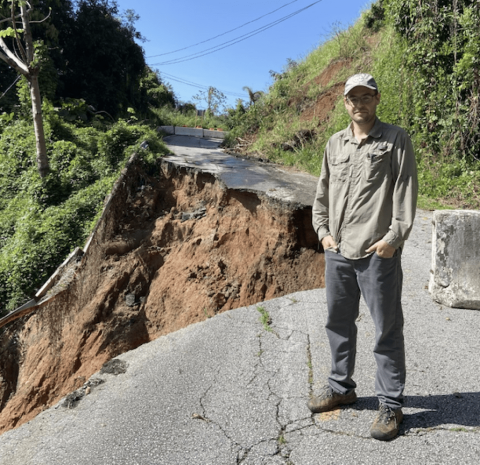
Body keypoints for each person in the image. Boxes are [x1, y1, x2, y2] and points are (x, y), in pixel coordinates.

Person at [309, 73, 418, 441]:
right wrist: (323, 233)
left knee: (386, 328)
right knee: (337, 322)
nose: (359, 103)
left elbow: (405, 193)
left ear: (377, 98)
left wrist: (393, 239)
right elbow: (321, 194)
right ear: (345, 103)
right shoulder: (334, 144)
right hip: (338, 251)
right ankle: (341, 387)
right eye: (352, 97)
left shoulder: (395, 139)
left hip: (376, 252)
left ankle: (390, 404)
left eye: (366, 96)